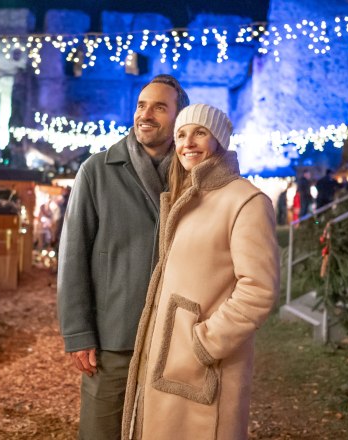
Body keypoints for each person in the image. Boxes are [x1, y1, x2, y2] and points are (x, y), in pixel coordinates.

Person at [121, 104, 279, 439]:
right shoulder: (188, 195)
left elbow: (259, 289)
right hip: (168, 356)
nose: (187, 143)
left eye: (200, 133)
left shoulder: (246, 201)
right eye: (181, 135)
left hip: (205, 363)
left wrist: (204, 343)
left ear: (219, 139)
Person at [57, 74, 189, 440]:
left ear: (179, 117)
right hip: (113, 335)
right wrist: (78, 332)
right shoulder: (97, 170)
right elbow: (72, 257)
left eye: (159, 107)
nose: (146, 114)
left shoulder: (192, 176)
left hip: (173, 337)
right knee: (101, 431)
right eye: (141, 105)